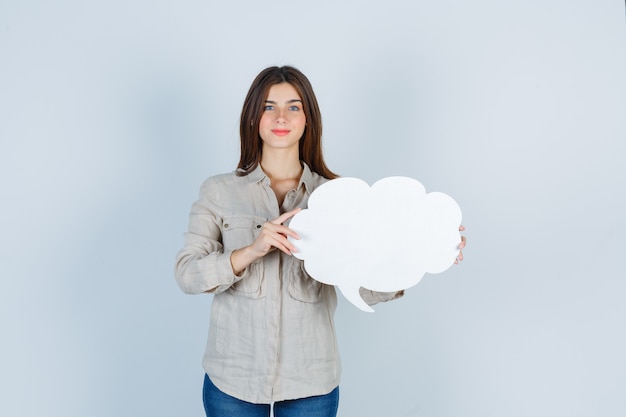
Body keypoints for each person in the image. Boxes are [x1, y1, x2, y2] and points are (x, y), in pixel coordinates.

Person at [174, 65, 466, 417]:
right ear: (253, 118)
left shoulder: (338, 197)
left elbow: (366, 283)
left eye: (294, 107)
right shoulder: (218, 191)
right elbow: (187, 274)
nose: (281, 116)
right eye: (269, 106)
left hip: (311, 383)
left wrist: (421, 251)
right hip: (232, 381)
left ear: (308, 118)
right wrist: (251, 250)